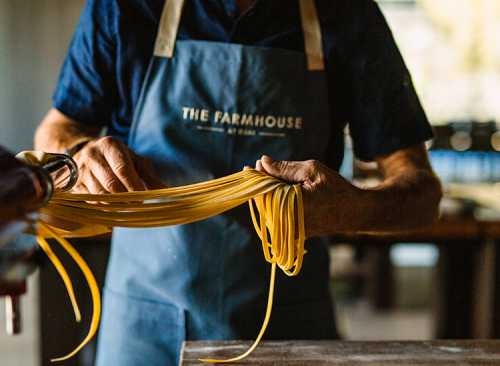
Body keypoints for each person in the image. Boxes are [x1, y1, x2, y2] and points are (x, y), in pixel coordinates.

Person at [34, 0, 442, 365]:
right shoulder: (125, 7)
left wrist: (351, 208)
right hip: (145, 327)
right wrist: (78, 154)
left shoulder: (347, 13)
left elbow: (422, 194)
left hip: (288, 331)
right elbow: (57, 130)